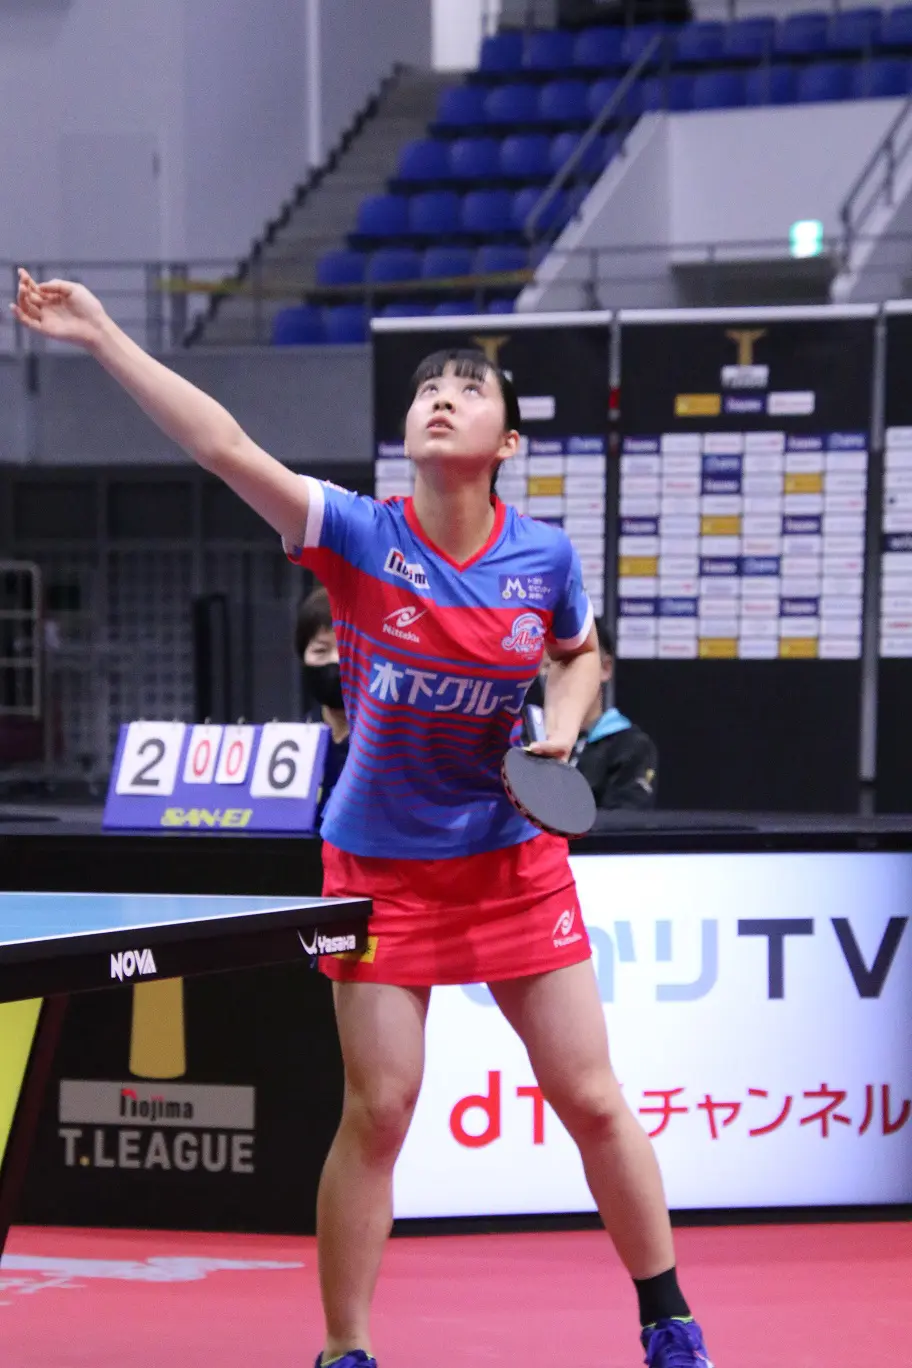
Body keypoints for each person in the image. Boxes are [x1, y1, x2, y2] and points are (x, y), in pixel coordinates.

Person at [11, 268, 714, 1368]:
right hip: (380, 870)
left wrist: (564, 732)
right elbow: (223, 446)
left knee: (589, 1096)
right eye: (429, 387)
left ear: (506, 444)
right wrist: (101, 334)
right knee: (380, 1110)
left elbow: (578, 658)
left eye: (468, 390)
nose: (441, 397)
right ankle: (346, 1349)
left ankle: (669, 1320)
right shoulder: (352, 533)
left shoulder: (544, 558)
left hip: (510, 863)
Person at [534, 620, 658, 810]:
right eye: (548, 666)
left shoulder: (630, 746)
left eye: (570, 666)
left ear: (605, 668)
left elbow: (625, 821)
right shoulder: (521, 739)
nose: (556, 677)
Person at [295, 584, 350, 822]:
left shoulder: (390, 746)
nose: (335, 662)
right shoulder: (296, 741)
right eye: (320, 650)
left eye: (347, 650)